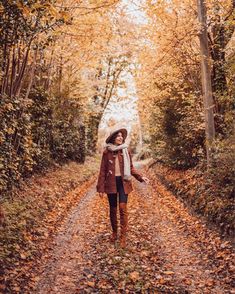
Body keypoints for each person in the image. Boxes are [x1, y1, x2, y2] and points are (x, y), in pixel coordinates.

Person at [96, 127, 150, 248]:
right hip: (111, 183)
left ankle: (123, 237)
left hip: (123, 182)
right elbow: (103, 171)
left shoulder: (126, 151)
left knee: (122, 207)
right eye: (118, 136)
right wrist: (100, 188)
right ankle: (115, 232)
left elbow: (130, 168)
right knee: (113, 209)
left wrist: (141, 178)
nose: (120, 137)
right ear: (113, 138)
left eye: (121, 136)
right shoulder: (106, 152)